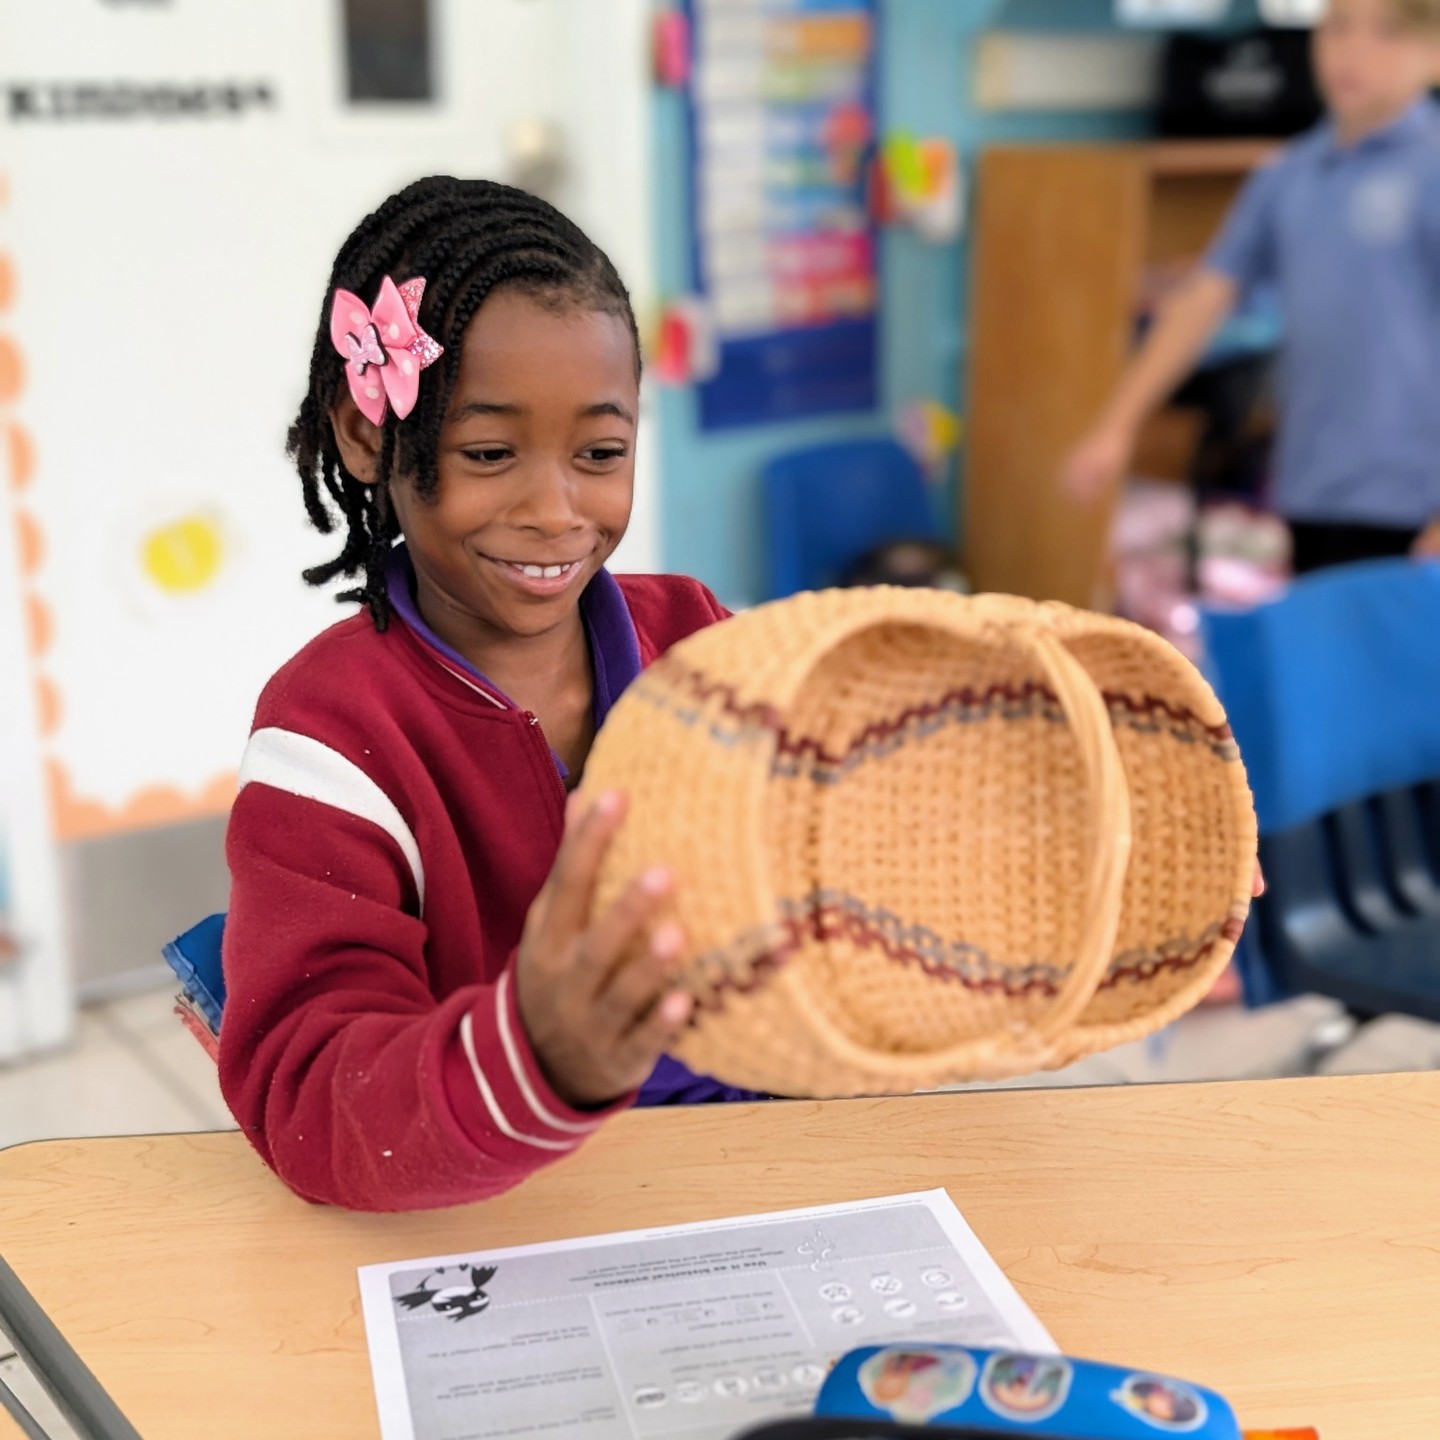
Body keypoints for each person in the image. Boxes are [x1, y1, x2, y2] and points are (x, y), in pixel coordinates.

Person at [219, 177, 757, 1213]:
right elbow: (313, 1097)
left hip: (751, 1155)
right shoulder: (330, 736)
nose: (557, 512)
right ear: (370, 436)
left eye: (601, 454)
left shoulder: (697, 641)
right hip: (494, 1197)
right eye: (489, 454)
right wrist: (540, 1056)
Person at [1062, 0, 1440, 575]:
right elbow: (1202, 299)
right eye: (1337, 28)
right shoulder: (1285, 175)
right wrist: (1116, 425)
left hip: (1416, 497)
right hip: (1313, 488)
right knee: (1322, 662)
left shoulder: (1431, 167)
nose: (1353, 52)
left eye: (1387, 33)